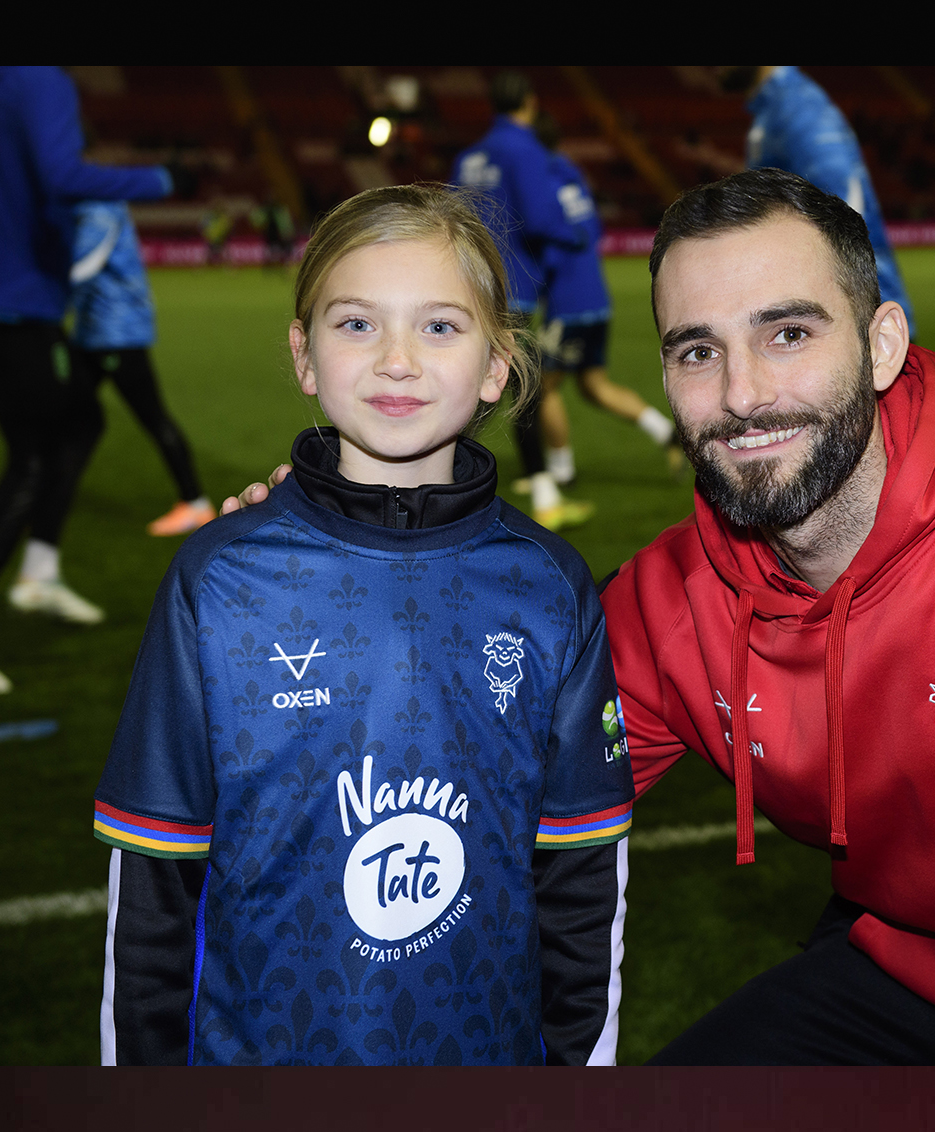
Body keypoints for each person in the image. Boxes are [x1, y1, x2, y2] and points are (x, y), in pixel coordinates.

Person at [221, 168, 935, 1066]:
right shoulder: (671, 602)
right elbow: (476, 785)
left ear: (881, 345)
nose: (742, 394)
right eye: (697, 350)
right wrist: (334, 582)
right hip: (900, 974)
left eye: (787, 333)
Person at [93, 184, 634, 1066]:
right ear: (304, 355)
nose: (396, 361)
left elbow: (582, 886)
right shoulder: (219, 579)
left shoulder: (549, 588)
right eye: (356, 324)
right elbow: (153, 891)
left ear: (497, 365)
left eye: (440, 326)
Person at [0, 66, 176, 694]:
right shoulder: (40, 81)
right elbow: (62, 175)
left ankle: (39, 571)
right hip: (19, 298)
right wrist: (158, 178)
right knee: (34, 458)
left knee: (81, 421)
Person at [454, 71, 594, 531]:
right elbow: (538, 217)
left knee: (480, 389)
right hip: (511, 287)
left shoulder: (470, 156)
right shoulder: (526, 149)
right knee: (521, 391)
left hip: (465, 285)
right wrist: (576, 234)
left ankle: (421, 482)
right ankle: (543, 497)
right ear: (529, 103)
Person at [529, 109, 686, 489]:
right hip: (596, 297)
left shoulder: (537, 181)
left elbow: (544, 237)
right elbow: (592, 230)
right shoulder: (571, 174)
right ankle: (664, 431)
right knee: (594, 386)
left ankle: (562, 472)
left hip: (567, 303)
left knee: (542, 389)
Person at [722, 67, 915, 333]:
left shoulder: (799, 108)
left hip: (862, 324)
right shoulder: (776, 109)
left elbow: (847, 210)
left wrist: (861, 322)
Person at [67, 199, 216, 537]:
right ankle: (23, 494)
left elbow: (82, 267)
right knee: (65, 415)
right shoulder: (92, 206)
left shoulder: (100, 209)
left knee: (152, 417)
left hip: (116, 334)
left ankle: (195, 503)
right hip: (93, 332)